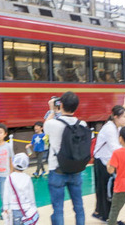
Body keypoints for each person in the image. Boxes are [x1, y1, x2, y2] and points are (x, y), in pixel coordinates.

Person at [44, 91, 87, 225]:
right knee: (79, 207)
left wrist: (52, 110)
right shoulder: (83, 124)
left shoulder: (53, 124)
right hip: (76, 170)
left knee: (58, 209)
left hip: (57, 170)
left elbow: (45, 127)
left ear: (61, 105)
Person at [92, 105, 125, 222]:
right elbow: (115, 148)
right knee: (105, 189)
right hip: (102, 162)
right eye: (124, 117)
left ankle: (100, 213)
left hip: (108, 161)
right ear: (116, 117)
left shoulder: (116, 127)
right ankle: (105, 216)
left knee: (106, 188)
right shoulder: (110, 128)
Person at [3, 153, 38, 224]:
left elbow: (6, 194)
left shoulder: (9, 178)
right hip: (27, 208)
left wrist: (5, 207)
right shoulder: (27, 178)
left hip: (14, 208)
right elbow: (31, 194)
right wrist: (33, 206)